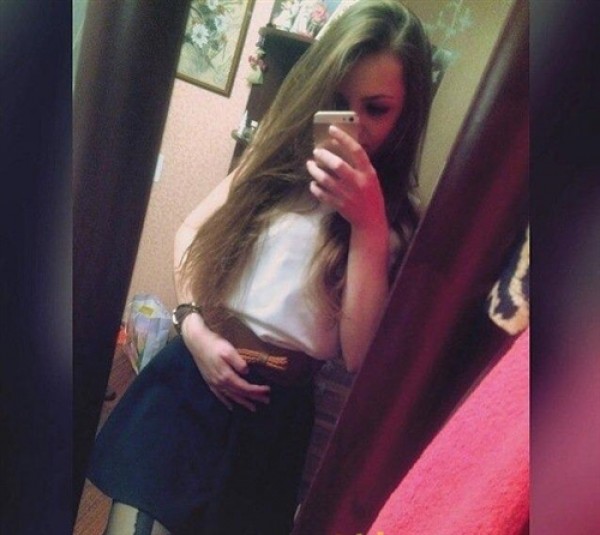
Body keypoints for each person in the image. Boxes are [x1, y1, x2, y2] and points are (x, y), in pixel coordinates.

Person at [87, 1, 433, 533]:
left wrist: (367, 225)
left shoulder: (396, 220)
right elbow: (190, 235)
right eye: (338, 102)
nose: (354, 127)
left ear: (405, 115)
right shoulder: (271, 160)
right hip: (192, 374)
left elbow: (358, 352)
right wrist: (193, 328)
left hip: (274, 415)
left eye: (376, 108)